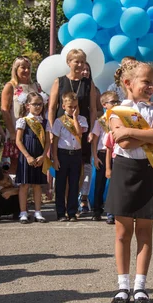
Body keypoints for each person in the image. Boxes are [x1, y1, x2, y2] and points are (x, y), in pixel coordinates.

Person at [106, 60, 153, 303]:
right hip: (125, 171)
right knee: (123, 233)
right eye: (146, 82)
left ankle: (140, 287)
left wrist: (131, 133)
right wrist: (147, 137)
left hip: (148, 171)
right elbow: (122, 144)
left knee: (145, 233)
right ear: (128, 83)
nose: (151, 87)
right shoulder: (116, 111)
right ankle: (123, 286)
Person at [48, 49, 98, 213]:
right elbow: (52, 108)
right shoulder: (59, 81)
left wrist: (91, 130)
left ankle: (73, 206)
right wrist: (50, 130)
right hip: (61, 131)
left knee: (79, 171)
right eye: (76, 61)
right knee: (62, 171)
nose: (80, 65)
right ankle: (61, 207)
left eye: (82, 61)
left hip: (80, 131)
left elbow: (92, 109)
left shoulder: (88, 83)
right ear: (69, 62)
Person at [1, 56, 42, 174]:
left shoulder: (36, 86)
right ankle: (14, 191)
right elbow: (4, 109)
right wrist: (12, 132)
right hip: (17, 130)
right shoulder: (10, 86)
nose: (26, 71)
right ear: (16, 69)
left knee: (33, 165)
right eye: (23, 67)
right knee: (16, 164)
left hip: (34, 131)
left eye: (28, 68)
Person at [52, 92, 88, 222]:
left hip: (76, 155)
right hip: (62, 154)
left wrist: (75, 118)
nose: (73, 109)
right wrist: (55, 158)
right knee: (61, 184)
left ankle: (72, 212)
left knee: (74, 184)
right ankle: (61, 212)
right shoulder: (59, 121)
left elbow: (79, 133)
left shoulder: (82, 119)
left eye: (75, 106)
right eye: (70, 107)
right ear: (63, 106)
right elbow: (55, 141)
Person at [15, 92, 51, 224]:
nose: (38, 107)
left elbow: (48, 141)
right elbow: (18, 141)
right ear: (27, 105)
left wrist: (43, 156)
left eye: (40, 104)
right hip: (27, 156)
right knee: (24, 184)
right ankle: (23, 212)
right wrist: (28, 156)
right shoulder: (23, 120)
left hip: (39, 156)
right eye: (35, 104)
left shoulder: (45, 122)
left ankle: (38, 211)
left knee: (37, 185)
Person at [90, 91, 120, 222]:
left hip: (116, 154)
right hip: (102, 154)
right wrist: (95, 157)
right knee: (100, 183)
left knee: (114, 184)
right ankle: (97, 210)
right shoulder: (100, 122)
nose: (116, 104)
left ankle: (111, 212)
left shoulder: (120, 119)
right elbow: (95, 140)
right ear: (104, 104)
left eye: (117, 101)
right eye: (113, 102)